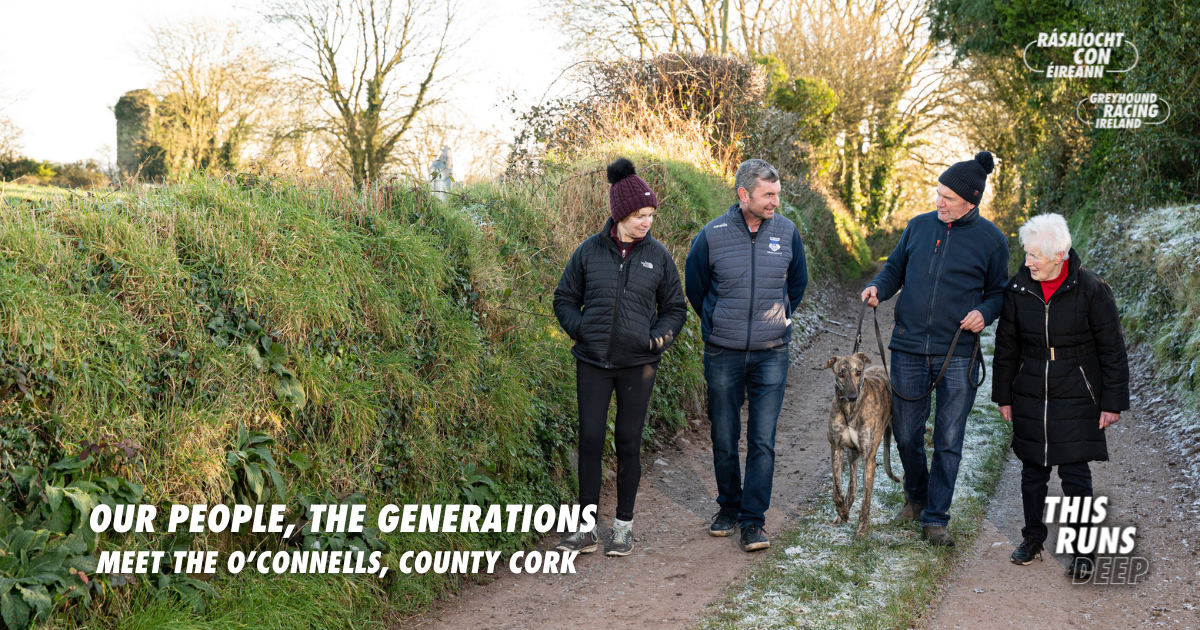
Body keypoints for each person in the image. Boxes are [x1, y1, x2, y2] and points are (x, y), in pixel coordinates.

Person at [860, 151, 1009, 547]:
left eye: (948, 198)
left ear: (971, 202)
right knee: (907, 434)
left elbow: (998, 294)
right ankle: (917, 495)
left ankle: (936, 517)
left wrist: (984, 312)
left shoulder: (993, 241)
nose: (939, 202)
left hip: (957, 353)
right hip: (908, 346)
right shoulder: (918, 227)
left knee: (948, 439)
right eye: (938, 193)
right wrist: (879, 287)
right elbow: (894, 269)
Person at [552, 158, 687, 557]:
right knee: (591, 440)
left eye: (650, 214)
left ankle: (623, 527)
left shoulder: (658, 257)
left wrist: (657, 340)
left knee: (628, 442)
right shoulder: (588, 252)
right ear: (619, 213)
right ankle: (586, 528)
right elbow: (564, 298)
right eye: (639, 215)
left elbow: (675, 309)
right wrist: (581, 329)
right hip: (592, 362)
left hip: (637, 365)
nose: (646, 222)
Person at [992, 213, 1129, 579]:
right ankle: (1033, 539)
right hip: (1030, 387)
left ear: (1060, 255)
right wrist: (1003, 394)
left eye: (1036, 255)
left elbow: (1112, 349)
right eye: (1026, 253)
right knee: (1032, 470)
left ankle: (1083, 552)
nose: (1028, 261)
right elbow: (1006, 346)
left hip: (1078, 391)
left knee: (1075, 474)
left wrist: (1112, 402)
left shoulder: (1092, 289)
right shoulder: (1017, 289)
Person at [685, 159, 808, 552]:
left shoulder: (788, 232)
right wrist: (718, 323)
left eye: (777, 193)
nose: (775, 201)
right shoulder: (712, 235)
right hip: (723, 352)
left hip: (773, 353)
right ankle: (729, 507)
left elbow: (798, 284)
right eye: (768, 194)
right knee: (724, 435)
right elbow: (696, 287)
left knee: (762, 440)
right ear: (744, 195)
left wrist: (780, 318)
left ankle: (754, 521)